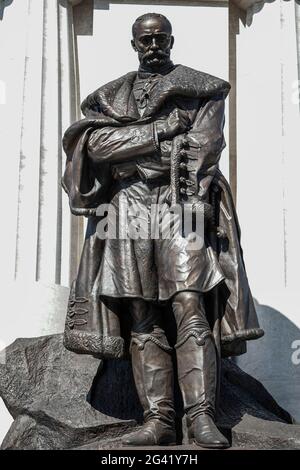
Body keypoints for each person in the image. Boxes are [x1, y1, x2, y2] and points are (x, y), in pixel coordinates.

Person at [62, 13, 264, 448]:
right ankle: (159, 419)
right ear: (134, 44)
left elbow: (205, 147)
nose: (154, 45)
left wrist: (134, 147)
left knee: (190, 303)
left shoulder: (203, 89)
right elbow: (96, 146)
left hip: (182, 202)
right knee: (141, 312)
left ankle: (202, 417)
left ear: (172, 39)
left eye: (160, 38)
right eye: (145, 39)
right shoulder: (108, 97)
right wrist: (161, 132)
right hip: (128, 206)